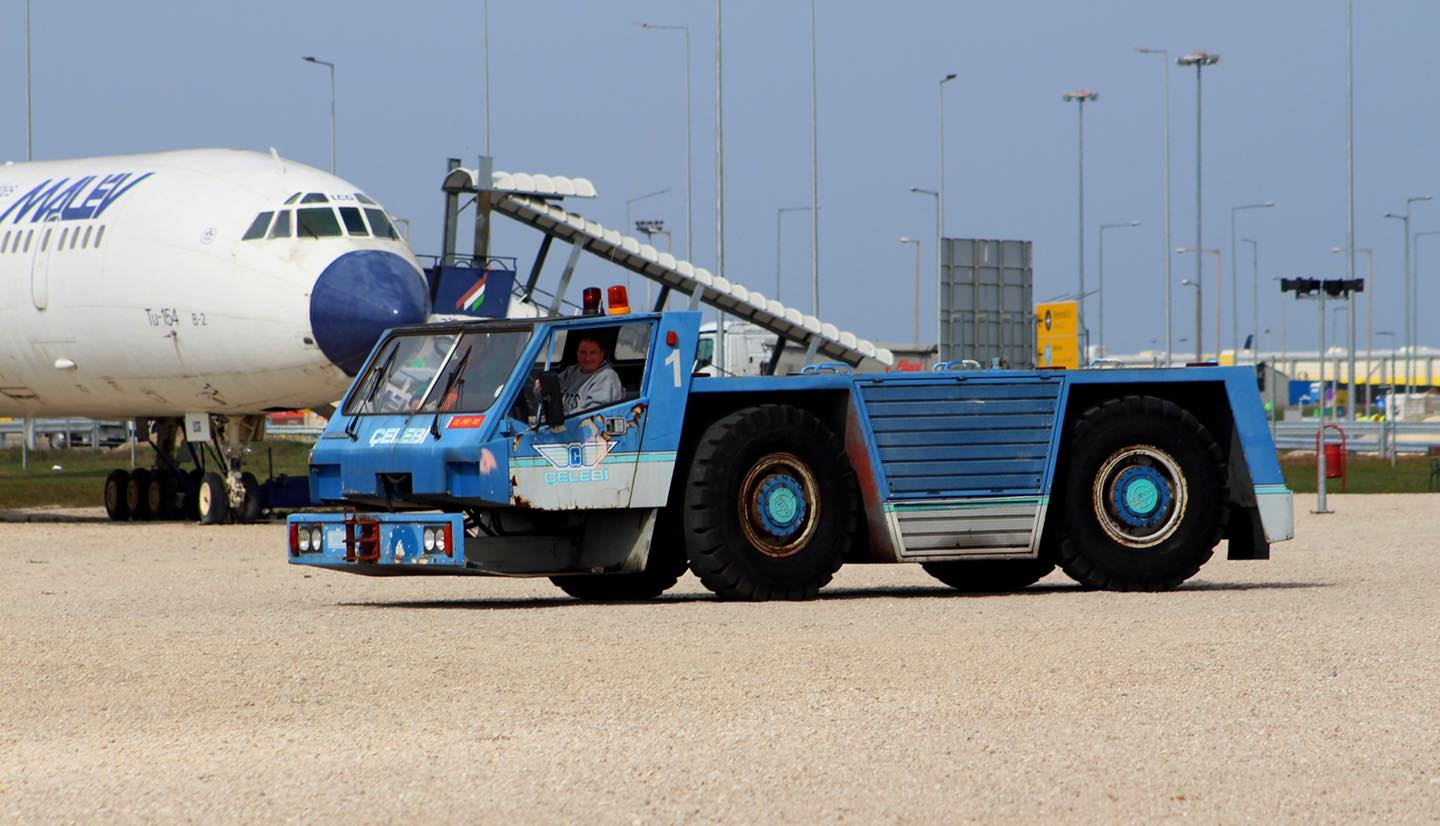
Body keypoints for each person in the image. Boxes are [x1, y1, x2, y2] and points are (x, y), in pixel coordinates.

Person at [556, 334, 623, 414]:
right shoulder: (572, 371)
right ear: (577, 354)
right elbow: (552, 387)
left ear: (602, 354)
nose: (587, 358)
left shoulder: (607, 377)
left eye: (593, 353)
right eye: (583, 352)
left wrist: (561, 417)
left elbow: (594, 414)